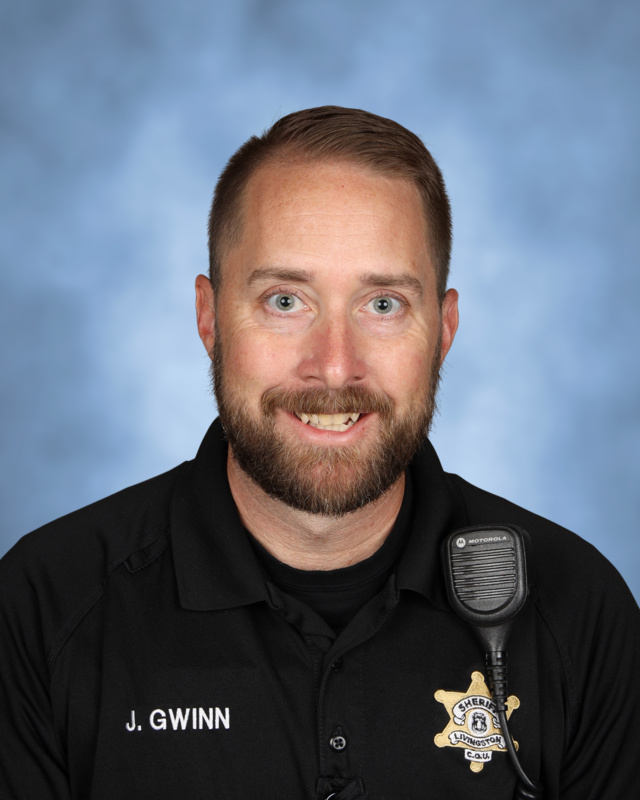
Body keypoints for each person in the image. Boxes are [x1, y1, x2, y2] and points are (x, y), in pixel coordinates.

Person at [0, 106, 638, 800]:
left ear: (444, 329)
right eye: (285, 301)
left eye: (383, 305)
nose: (335, 367)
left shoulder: (578, 611)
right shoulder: (43, 609)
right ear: (209, 318)